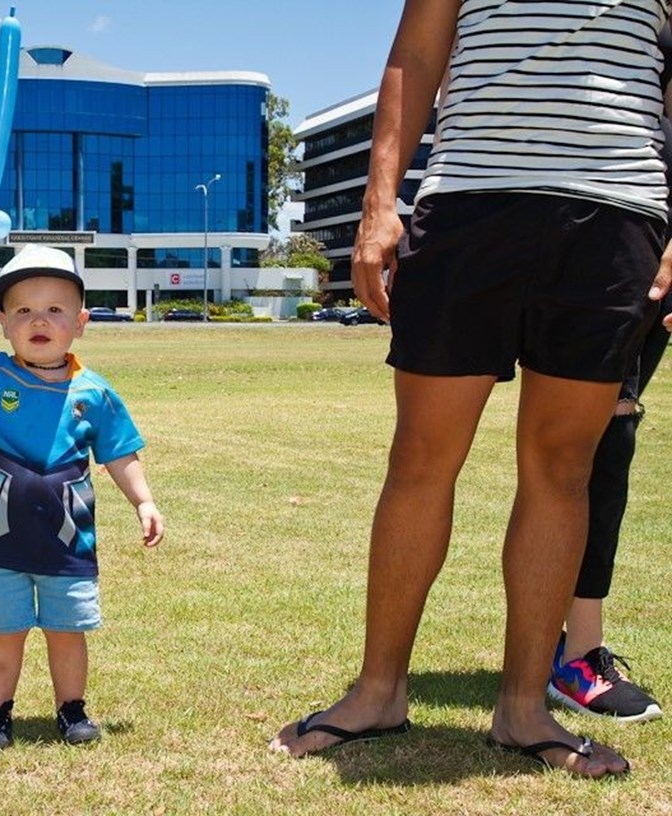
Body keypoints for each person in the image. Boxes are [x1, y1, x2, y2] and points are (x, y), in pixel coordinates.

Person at [270, 0, 672, 778]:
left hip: (617, 209)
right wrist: (377, 206)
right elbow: (415, 55)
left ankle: (524, 710)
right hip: (467, 201)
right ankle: (378, 691)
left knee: (562, 467)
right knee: (421, 456)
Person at [0, 244, 165, 750]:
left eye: (55, 309)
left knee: (67, 630)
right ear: (3, 323)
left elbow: (119, 453)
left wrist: (144, 501)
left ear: (81, 322)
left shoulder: (94, 393)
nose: (39, 320)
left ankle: (72, 710)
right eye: (23, 310)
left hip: (68, 541)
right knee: (3, 631)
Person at [550, 300, 669, 723]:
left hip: (645, 272)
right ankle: (574, 654)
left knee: (610, 431)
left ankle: (571, 649)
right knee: (602, 429)